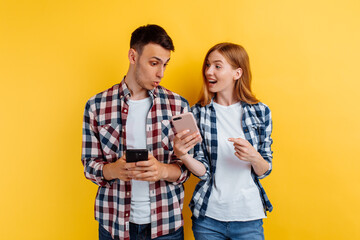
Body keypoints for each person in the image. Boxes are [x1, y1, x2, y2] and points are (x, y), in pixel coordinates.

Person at [81, 24, 190, 240]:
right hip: (115, 225)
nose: (161, 73)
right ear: (133, 56)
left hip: (166, 225)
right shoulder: (96, 105)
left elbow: (187, 169)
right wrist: (113, 170)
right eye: (153, 63)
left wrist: (162, 171)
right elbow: (89, 164)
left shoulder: (178, 106)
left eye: (165, 65)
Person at [173, 42, 273, 240]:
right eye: (208, 65)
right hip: (208, 218)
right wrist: (183, 155)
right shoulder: (197, 113)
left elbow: (264, 169)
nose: (209, 71)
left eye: (217, 66)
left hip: (249, 217)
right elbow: (202, 170)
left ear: (237, 73)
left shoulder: (260, 111)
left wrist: (254, 156)